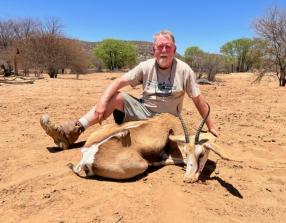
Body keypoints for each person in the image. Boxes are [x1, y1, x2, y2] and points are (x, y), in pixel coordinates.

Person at [40, 30, 219, 149]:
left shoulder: (184, 70)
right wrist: (102, 103)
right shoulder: (145, 66)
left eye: (167, 47)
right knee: (116, 97)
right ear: (153, 50)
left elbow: (198, 99)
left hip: (168, 122)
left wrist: (211, 126)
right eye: (159, 47)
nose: (163, 50)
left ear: (174, 50)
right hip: (143, 111)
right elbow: (117, 82)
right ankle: (69, 133)